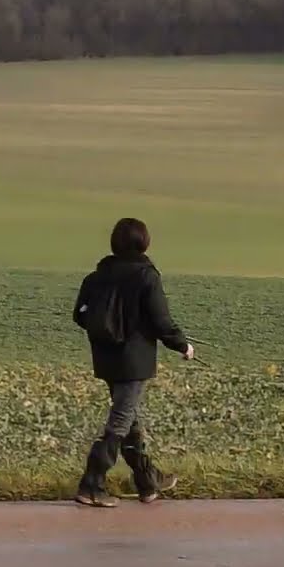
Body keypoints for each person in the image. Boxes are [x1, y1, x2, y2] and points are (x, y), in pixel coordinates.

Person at [71, 217, 192, 508]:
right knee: (121, 420)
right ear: (144, 243)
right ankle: (91, 483)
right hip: (133, 361)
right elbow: (161, 321)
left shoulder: (97, 276)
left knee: (129, 418)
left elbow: (79, 315)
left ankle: (147, 480)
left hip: (106, 357)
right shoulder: (146, 276)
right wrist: (183, 345)